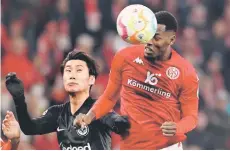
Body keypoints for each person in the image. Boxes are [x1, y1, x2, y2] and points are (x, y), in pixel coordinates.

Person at [74, 11, 199, 150]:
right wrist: (89, 116)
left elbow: (191, 118)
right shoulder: (125, 57)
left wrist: (177, 127)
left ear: (172, 39)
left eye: (156, 38)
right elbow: (109, 97)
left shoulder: (186, 72)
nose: (150, 42)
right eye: (148, 36)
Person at [5, 51, 130, 150]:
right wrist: (19, 99)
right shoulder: (57, 113)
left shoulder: (99, 109)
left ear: (91, 79)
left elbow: (119, 124)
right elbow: (29, 128)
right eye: (68, 70)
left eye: (79, 70)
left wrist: (121, 122)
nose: (72, 75)